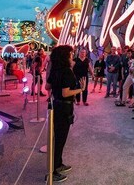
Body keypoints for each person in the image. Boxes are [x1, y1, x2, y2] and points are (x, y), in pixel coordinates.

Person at [45, 45, 86, 183]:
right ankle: (53, 171)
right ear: (65, 56)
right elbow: (66, 92)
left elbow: (47, 86)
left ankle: (58, 163)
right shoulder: (67, 71)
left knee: (57, 138)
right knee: (60, 139)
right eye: (70, 54)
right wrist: (80, 90)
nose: (72, 56)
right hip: (64, 108)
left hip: (56, 106)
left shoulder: (56, 70)